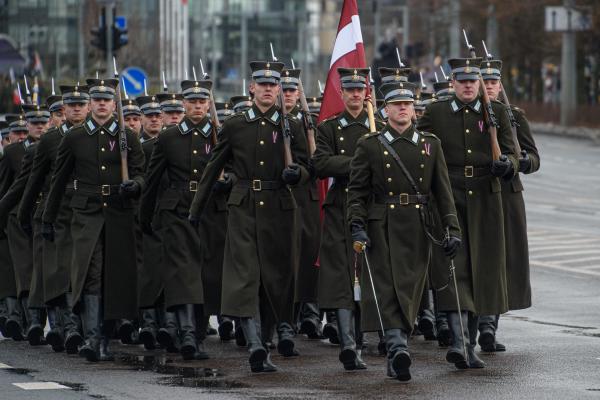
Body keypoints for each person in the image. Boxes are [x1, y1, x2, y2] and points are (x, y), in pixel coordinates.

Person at [188, 60, 310, 373]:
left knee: (275, 280)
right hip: (243, 207)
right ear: (251, 87)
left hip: (280, 208)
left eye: (273, 84)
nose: (268, 89)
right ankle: (255, 344)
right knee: (245, 277)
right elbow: (213, 168)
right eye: (262, 84)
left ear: (279, 89)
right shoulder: (236, 125)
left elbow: (312, 165)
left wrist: (299, 174)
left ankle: (265, 340)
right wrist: (196, 210)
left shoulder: (290, 125)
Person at [347, 80, 461, 381]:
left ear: (414, 109)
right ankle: (397, 347)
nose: (402, 109)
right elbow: (357, 191)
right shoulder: (369, 145)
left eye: (408, 104)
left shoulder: (430, 144)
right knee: (387, 287)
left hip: (418, 225)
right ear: (385, 110)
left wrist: (452, 227)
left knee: (411, 288)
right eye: (397, 104)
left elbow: (443, 191)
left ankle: (398, 345)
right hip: (382, 223)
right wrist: (356, 225)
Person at [417, 57, 518, 369]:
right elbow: (419, 146)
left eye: (473, 82)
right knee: (454, 270)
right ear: (453, 83)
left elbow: (513, 151)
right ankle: (460, 343)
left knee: (482, 272)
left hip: (487, 199)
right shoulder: (436, 111)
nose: (468, 86)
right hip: (449, 196)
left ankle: (471, 343)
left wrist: (508, 165)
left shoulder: (497, 112)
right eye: (462, 82)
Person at [42, 77, 145, 362]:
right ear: (90, 104)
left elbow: (141, 173)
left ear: (114, 104)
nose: (101, 104)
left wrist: (135, 185)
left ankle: (105, 338)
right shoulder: (74, 137)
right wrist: (47, 218)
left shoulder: (127, 137)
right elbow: (59, 180)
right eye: (97, 100)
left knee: (115, 277)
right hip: (86, 213)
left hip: (118, 212)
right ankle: (92, 337)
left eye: (107, 100)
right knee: (91, 274)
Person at [313, 67, 383, 371]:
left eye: (360, 89)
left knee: (369, 274)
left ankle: (366, 339)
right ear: (341, 93)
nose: (355, 94)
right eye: (350, 90)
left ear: (366, 92)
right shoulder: (329, 128)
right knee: (343, 275)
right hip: (342, 204)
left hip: (373, 207)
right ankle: (349, 345)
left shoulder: (379, 126)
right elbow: (320, 163)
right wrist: (360, 162)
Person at [18, 84, 90, 354]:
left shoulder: (96, 136)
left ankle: (80, 327)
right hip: (57, 211)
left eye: (79, 105)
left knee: (82, 271)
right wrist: (24, 214)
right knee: (58, 271)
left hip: (87, 210)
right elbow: (33, 182)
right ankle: (66, 327)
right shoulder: (49, 141)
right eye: (66, 108)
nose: (72, 111)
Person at [477, 59, 540, 352]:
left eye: (493, 83)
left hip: (508, 193)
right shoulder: (469, 116)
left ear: (500, 85)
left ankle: (489, 326)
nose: (489, 87)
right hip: (478, 192)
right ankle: (475, 322)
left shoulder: (514, 116)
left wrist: (522, 162)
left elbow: (533, 156)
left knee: (503, 258)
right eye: (484, 82)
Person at [0, 105, 49, 346]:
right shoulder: (12, 153)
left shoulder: (53, 146)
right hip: (18, 217)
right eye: (34, 123)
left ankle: (38, 321)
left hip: (43, 214)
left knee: (43, 270)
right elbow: (7, 188)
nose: (39, 126)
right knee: (25, 270)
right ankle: (30, 322)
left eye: (43, 122)